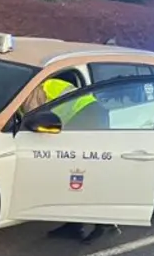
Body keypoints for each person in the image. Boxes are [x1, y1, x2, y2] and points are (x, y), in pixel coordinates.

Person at [23, 77, 115, 244]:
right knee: (74, 174)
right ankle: (75, 224)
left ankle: (103, 222)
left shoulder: (36, 91)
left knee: (82, 174)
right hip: (86, 115)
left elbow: (37, 119)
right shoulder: (34, 88)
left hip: (88, 116)